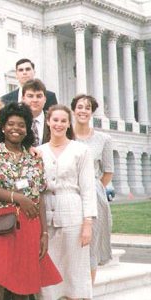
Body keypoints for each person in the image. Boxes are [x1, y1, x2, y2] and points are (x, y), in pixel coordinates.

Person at [0, 102, 62, 300]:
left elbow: (38, 195)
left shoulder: (34, 158)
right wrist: (18, 198)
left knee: (23, 284)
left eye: (21, 125)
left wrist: (44, 233)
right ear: (3, 126)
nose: (16, 128)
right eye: (11, 124)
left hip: (28, 226)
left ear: (27, 129)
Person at [38, 104, 97, 300]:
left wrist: (87, 222)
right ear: (48, 121)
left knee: (74, 271)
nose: (59, 124)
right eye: (55, 120)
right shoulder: (38, 152)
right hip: (46, 215)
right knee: (49, 271)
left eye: (63, 121)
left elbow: (88, 188)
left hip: (73, 213)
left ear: (68, 124)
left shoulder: (80, 150)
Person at [71, 94, 114, 284]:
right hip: (69, 195)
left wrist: (93, 190)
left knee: (91, 249)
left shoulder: (103, 138)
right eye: (79, 107)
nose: (83, 111)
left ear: (92, 112)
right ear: (73, 110)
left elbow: (108, 172)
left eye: (87, 108)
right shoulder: (65, 134)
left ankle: (87, 292)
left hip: (94, 199)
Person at [21, 79, 50, 146]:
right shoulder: (16, 120)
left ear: (45, 99)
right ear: (23, 99)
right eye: (30, 96)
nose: (35, 100)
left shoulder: (53, 119)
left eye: (39, 96)